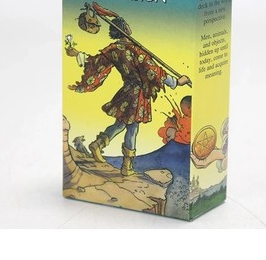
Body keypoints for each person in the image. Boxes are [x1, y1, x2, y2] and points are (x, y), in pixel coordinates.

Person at [67, 16, 190, 176]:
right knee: (132, 129)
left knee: (120, 124)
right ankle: (126, 167)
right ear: (124, 29)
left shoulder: (113, 49)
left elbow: (95, 62)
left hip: (127, 91)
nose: (129, 26)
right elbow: (153, 72)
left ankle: (98, 144)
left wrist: (77, 54)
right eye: (127, 24)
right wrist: (177, 82)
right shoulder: (135, 51)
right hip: (137, 95)